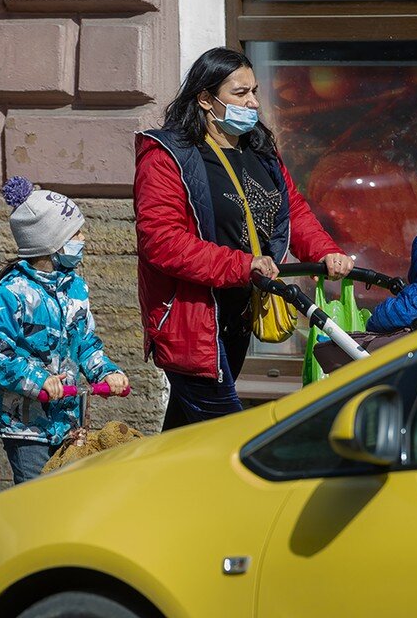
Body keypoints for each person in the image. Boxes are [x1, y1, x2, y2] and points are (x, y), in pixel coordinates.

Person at [133, 47, 354, 430]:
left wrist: (325, 251)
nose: (252, 102)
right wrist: (242, 265)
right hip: (192, 320)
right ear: (205, 98)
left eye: (254, 92)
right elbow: (162, 241)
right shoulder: (168, 156)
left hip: (239, 315)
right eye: (240, 93)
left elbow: (292, 210)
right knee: (226, 432)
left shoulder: (259, 149)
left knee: (186, 434)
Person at [0, 176, 129, 484]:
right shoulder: (10, 294)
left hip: (67, 419)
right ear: (51, 244)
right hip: (24, 426)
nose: (83, 238)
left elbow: (86, 343)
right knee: (35, 495)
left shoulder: (76, 289)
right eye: (76, 233)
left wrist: (106, 372)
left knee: (65, 493)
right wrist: (39, 380)